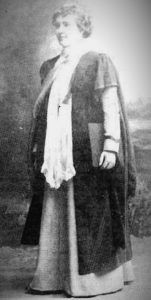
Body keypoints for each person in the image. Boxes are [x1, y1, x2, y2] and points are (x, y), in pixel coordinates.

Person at [21, 4, 136, 297]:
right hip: (56, 149)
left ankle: (93, 282)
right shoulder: (50, 66)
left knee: (90, 211)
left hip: (88, 148)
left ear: (82, 28)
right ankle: (52, 278)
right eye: (57, 25)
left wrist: (111, 144)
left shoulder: (97, 60)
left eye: (67, 25)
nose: (61, 31)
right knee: (56, 208)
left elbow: (109, 104)